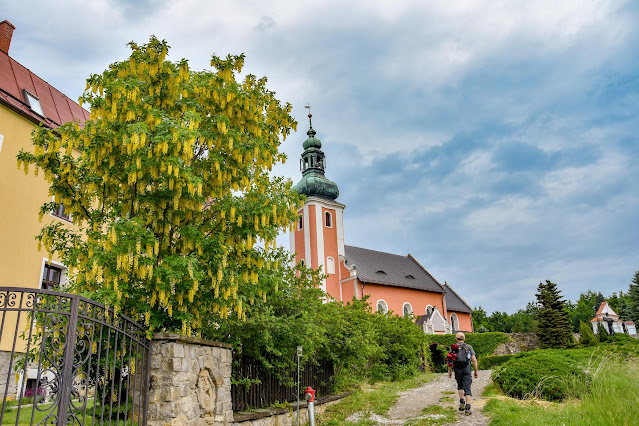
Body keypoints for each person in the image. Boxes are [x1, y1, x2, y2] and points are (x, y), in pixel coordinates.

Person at [448, 332, 478, 416]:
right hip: (466, 368)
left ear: (456, 339)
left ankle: (462, 403)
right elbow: (474, 360)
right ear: (464, 339)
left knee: (460, 385)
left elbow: (450, 362)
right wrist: (476, 371)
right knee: (467, 387)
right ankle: (468, 407)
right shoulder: (468, 347)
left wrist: (450, 372)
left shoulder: (453, 348)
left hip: (457, 369)